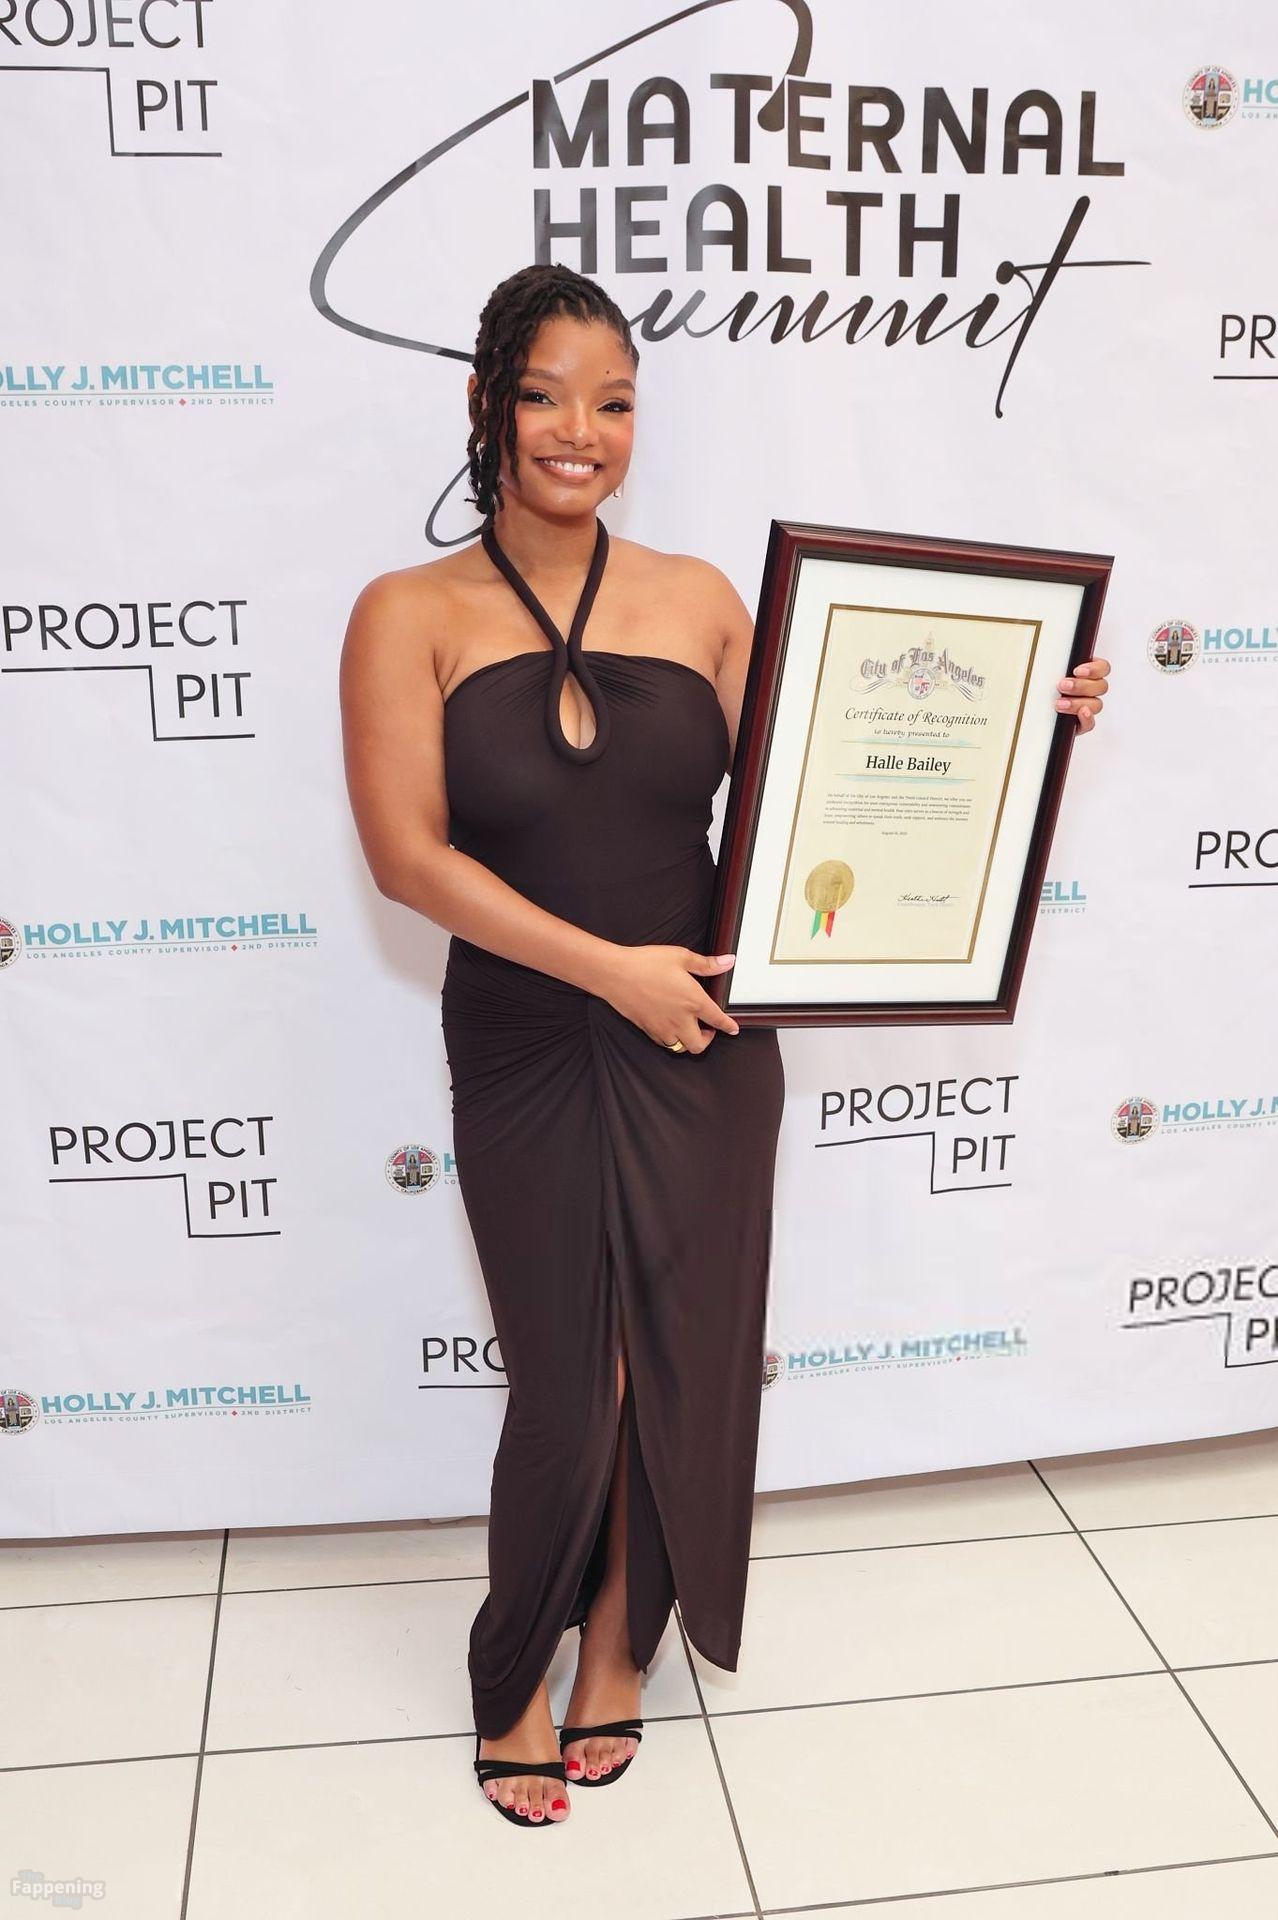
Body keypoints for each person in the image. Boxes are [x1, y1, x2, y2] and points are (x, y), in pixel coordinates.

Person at [339, 263, 1112, 1831]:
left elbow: (829, 779)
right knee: (569, 1374)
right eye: (545, 396)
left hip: (700, 1031)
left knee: (675, 1360)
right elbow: (408, 860)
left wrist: (1020, 716)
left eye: (614, 403)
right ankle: (513, 1669)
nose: (580, 431)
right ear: (484, 405)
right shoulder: (403, 613)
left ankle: (620, 1648)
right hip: (528, 1034)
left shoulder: (698, 599)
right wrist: (602, 975)